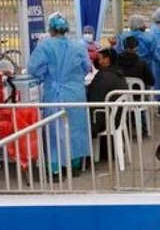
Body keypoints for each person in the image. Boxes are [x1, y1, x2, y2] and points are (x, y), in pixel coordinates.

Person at [28, 13, 91, 174]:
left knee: (55, 131)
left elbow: (34, 69)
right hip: (76, 93)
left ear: (50, 29)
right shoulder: (78, 46)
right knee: (76, 128)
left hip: (54, 93)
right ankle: (74, 164)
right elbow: (86, 67)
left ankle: (55, 168)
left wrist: (46, 75)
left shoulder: (44, 46)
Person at [87, 48, 128, 136]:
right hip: (118, 117)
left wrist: (93, 129)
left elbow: (95, 101)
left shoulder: (102, 77)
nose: (98, 61)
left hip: (106, 120)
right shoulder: (118, 74)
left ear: (107, 59)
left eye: (100, 58)